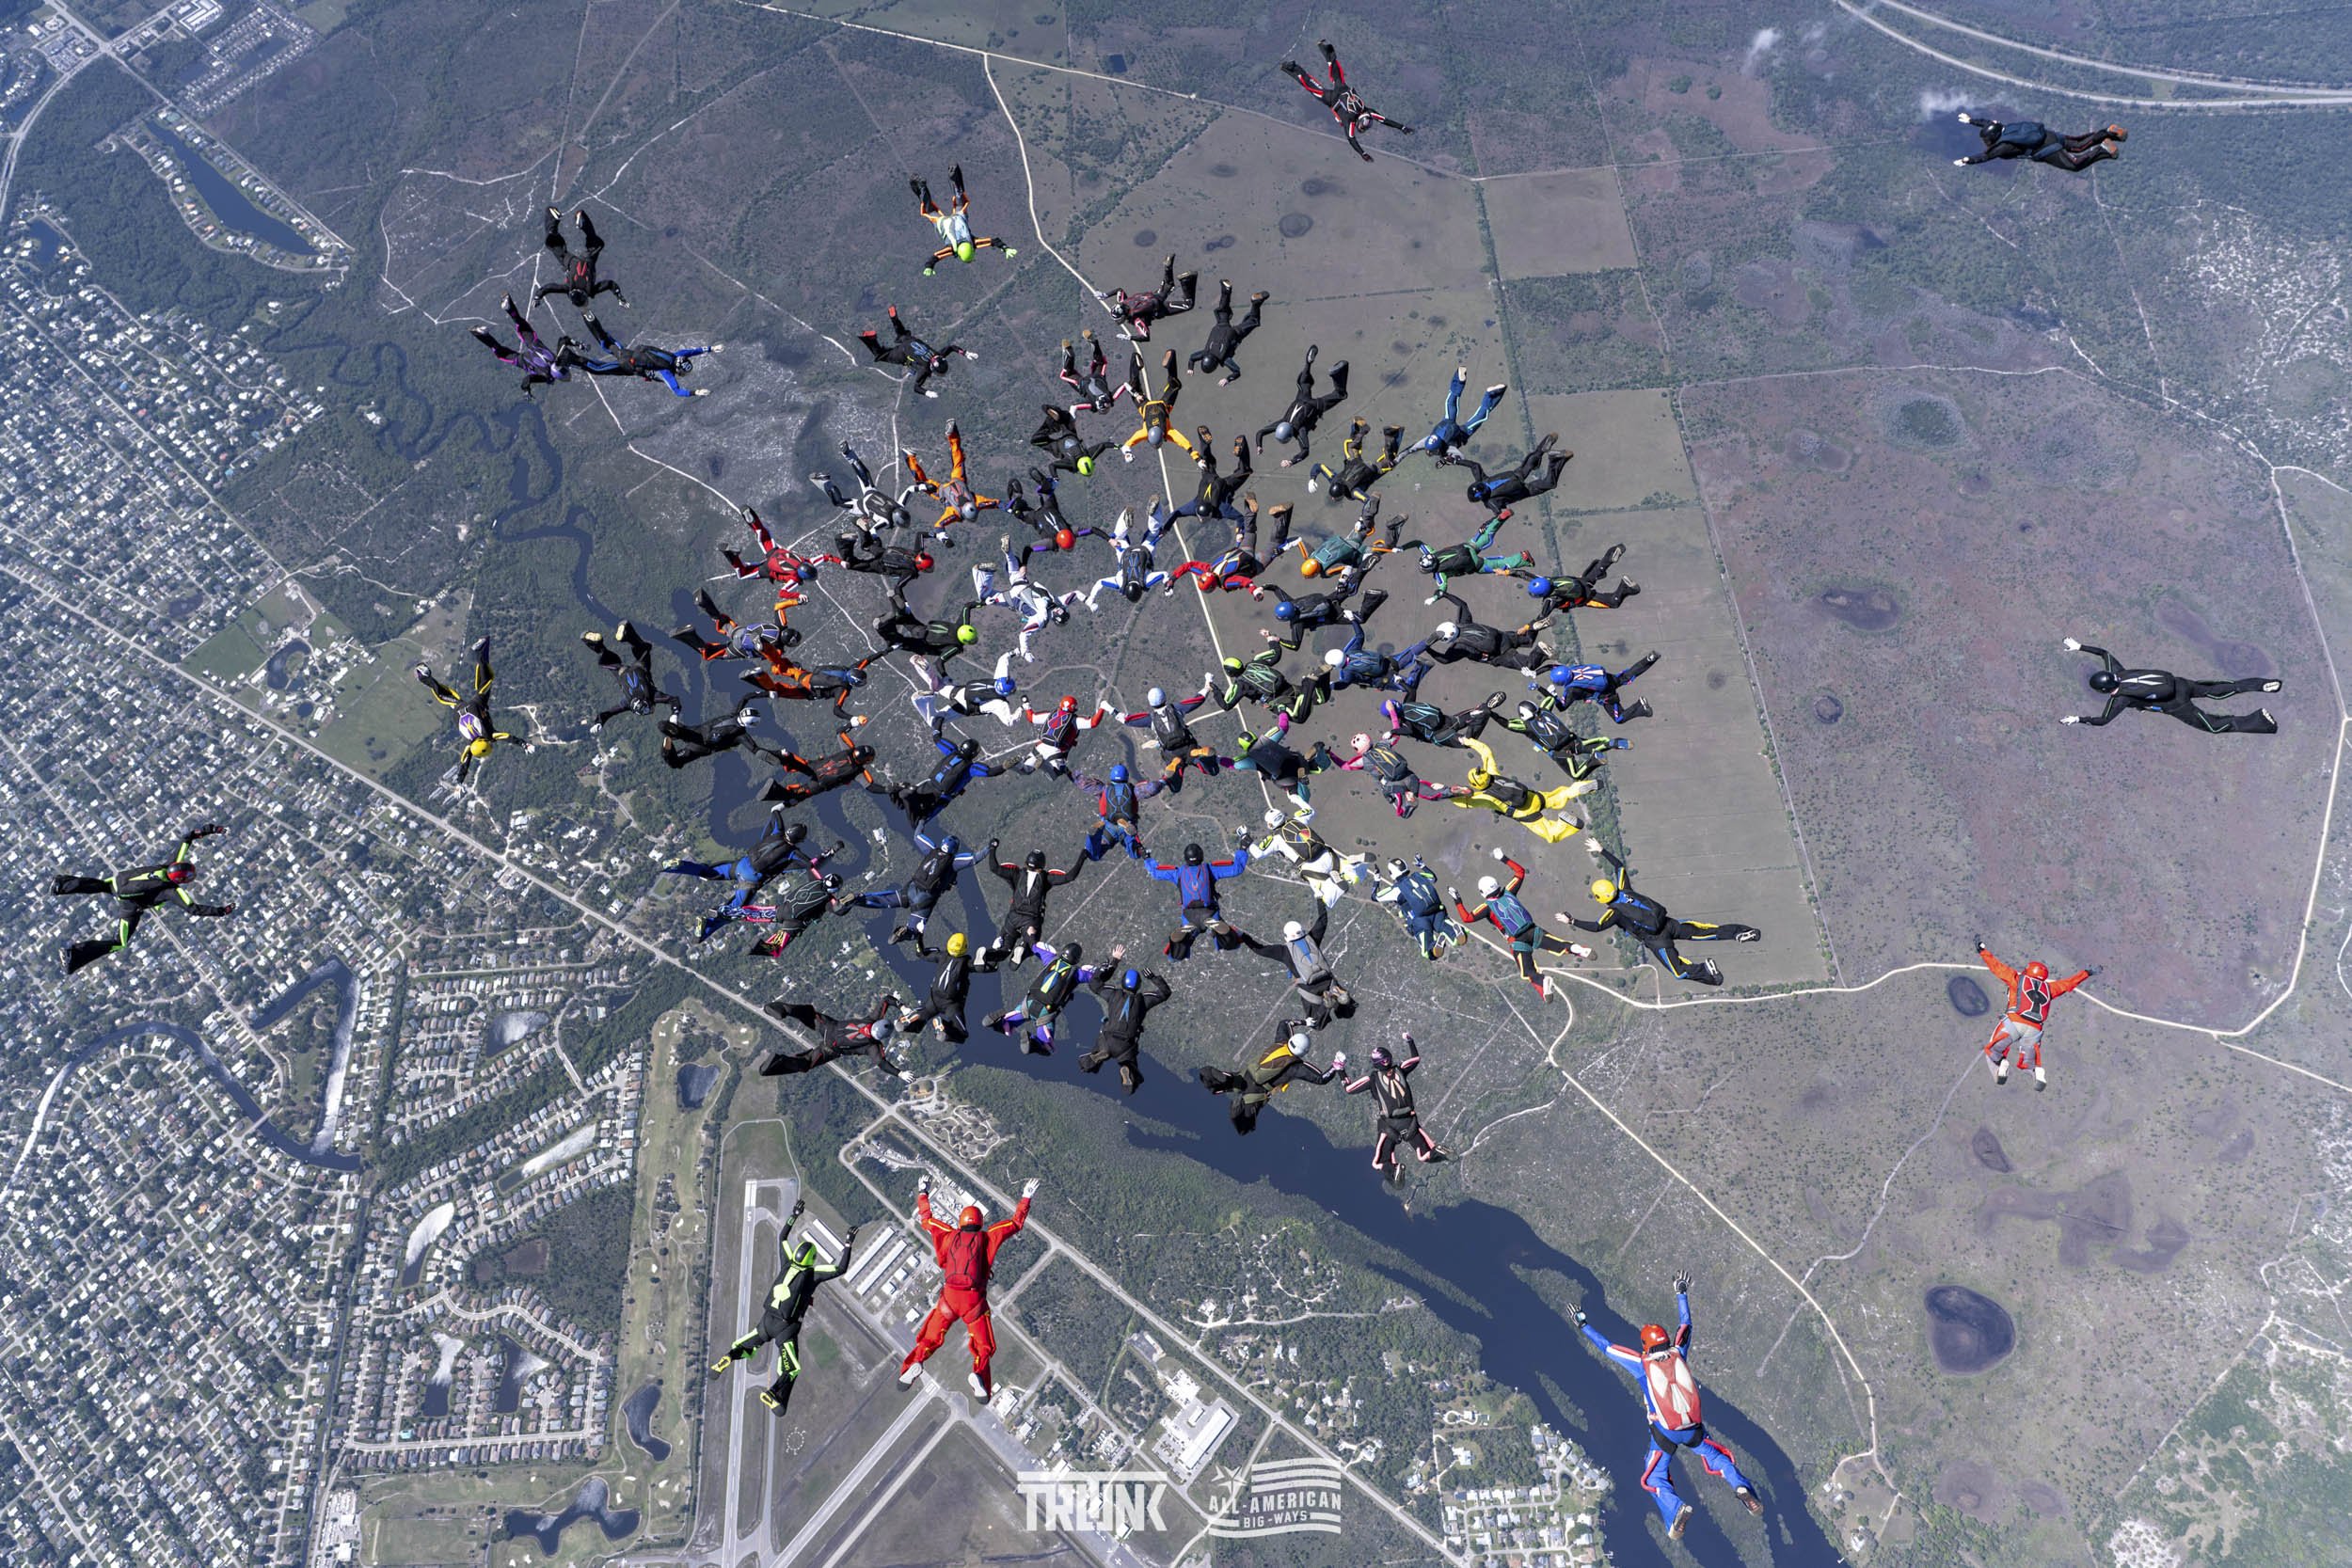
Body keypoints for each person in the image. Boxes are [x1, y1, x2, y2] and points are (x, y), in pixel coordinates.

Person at [1577, 1275, 1766, 1540]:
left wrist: (1583, 1325)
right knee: (1719, 1459)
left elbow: (1607, 1347)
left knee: (1654, 1477)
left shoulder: (1641, 1364)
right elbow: (1686, 1325)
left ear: (1646, 1346)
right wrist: (1681, 1292)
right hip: (1694, 1429)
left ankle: (1676, 1510)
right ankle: (1742, 1489)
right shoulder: (1678, 1352)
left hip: (1665, 1433)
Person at [898, 1171, 1037, 1402]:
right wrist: (1026, 1197)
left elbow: (926, 1220)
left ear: (961, 1222)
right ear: (980, 1223)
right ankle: (977, 1374)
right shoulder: (987, 1237)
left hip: (949, 1298)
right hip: (973, 1301)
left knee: (929, 1338)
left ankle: (916, 1362)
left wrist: (923, 1192)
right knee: (984, 1347)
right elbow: (1014, 1224)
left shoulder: (948, 1235)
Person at [710, 1198, 855, 1413]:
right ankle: (775, 1394)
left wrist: (794, 1215)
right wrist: (848, 1244)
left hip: (767, 1320)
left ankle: (729, 1357)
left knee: (748, 1345)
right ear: (811, 1259)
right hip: (785, 1328)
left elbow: (782, 1237)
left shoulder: (787, 1262)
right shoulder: (812, 1274)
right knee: (791, 1369)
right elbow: (840, 1268)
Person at [1568, 841, 1758, 987]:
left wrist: (1572, 921)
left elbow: (1596, 927)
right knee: (1708, 931)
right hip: (1668, 923)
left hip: (1657, 941)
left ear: (1600, 898)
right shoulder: (1624, 890)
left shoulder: (1614, 913)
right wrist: (1601, 850)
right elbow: (1620, 867)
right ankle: (1742, 932)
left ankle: (1707, 971)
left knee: (1679, 972)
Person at [56, 822, 233, 974]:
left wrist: (212, 829)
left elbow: (187, 837)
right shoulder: (171, 890)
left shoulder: (169, 864)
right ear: (181, 881)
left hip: (117, 882)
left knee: (99, 885)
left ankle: (61, 885)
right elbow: (193, 909)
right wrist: (221, 911)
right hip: (130, 906)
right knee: (119, 942)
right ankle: (74, 955)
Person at [661, 811, 834, 942]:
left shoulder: (776, 832)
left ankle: (680, 866)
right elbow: (810, 865)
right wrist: (829, 853)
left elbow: (775, 812)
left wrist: (788, 802)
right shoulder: (793, 853)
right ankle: (705, 929)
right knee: (732, 912)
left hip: (740, 865)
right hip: (751, 880)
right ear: (798, 841)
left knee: (709, 872)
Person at [2059, 638, 2280, 734]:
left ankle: (2262, 723)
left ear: (2104, 691)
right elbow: (2104, 653)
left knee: (2213, 726)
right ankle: (2262, 685)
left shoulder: (2121, 699)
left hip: (2176, 705)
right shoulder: (2120, 673)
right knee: (2217, 689)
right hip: (2180, 683)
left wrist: (2078, 719)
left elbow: (2103, 721)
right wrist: (2080, 647)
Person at [1453, 849, 1594, 997]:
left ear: (1482, 893)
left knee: (1528, 972)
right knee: (1559, 945)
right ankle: (1577, 949)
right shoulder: (1508, 891)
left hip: (1517, 941)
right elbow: (1520, 872)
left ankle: (1543, 981)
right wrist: (1503, 858)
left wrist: (1457, 900)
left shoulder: (1486, 907)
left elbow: (1467, 918)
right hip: (1533, 930)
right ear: (1497, 885)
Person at [1974, 941, 2095, 1087]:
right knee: (2029, 1062)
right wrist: (2086, 973)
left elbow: (1997, 967)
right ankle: (2037, 1073)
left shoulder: (2018, 980)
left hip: (2013, 1022)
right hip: (2034, 1030)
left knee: (1993, 1051)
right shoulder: (2050, 988)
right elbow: (2069, 983)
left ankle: (2001, 1066)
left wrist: (1983, 951)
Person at [1279, 40, 1415, 162]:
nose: (1363, 128)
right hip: (1332, 99)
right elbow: (1352, 139)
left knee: (1336, 71)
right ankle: (1291, 67)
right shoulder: (1350, 121)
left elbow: (1385, 120)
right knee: (1310, 86)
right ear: (1359, 122)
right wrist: (1362, 153)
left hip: (1343, 89)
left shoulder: (1368, 112)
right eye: (1363, 127)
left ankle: (1326, 50)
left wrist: (1402, 127)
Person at [1198, 1024, 1344, 1133]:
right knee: (1245, 1127)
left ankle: (1217, 1078)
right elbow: (1321, 1079)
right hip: (1256, 1091)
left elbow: (1284, 1023)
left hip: (1245, 1075)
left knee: (1229, 1082)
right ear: (1303, 1052)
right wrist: (1337, 1065)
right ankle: (1237, 1109)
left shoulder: (1281, 1042)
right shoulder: (1296, 1067)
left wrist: (1305, 1022)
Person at [1450, 736, 1594, 844]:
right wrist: (1467, 741)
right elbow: (1485, 752)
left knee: (1551, 835)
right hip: (1533, 797)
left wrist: (1448, 793)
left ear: (1475, 785)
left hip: (1526, 813)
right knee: (1562, 794)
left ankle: (1564, 823)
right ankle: (1580, 787)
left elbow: (1464, 803)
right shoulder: (1492, 772)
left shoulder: (1484, 798)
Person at [416, 638, 520, 786]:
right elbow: (465, 762)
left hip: (475, 706)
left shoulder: (489, 735)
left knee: (487, 680)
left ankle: (480, 651)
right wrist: (459, 781)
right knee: (443, 695)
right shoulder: (470, 745)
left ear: (485, 743)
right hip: (458, 709)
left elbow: (507, 737)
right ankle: (425, 677)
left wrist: (524, 744)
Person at [1343, 1037, 1445, 1179]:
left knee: (1379, 1162)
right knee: (1424, 1154)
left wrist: (1340, 1070)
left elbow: (1349, 1089)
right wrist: (1410, 1041)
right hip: (1409, 1121)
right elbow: (1415, 1059)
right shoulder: (1400, 1069)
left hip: (1389, 1124)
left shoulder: (1373, 1079)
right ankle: (1437, 1152)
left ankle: (1395, 1169)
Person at [1242, 904, 1355, 1029]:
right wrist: (1319, 899)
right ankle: (1339, 998)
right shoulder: (1312, 939)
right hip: (1329, 982)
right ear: (1302, 931)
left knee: (1316, 1024)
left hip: (1309, 989)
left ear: (1286, 937)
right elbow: (1323, 920)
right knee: (1348, 1012)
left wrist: (1242, 936)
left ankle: (1326, 1005)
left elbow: (1259, 949)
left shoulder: (1283, 951)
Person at [984, 938, 1106, 1053]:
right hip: (1046, 1011)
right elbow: (1096, 977)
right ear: (1076, 959)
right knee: (1048, 1046)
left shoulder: (1050, 959)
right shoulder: (1077, 973)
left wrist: (1030, 937)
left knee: (1013, 1020)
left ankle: (1002, 1022)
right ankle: (1035, 1042)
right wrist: (1106, 968)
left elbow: (1035, 946)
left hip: (1029, 1002)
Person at [853, 828, 977, 938]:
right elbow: (974, 858)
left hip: (910, 889)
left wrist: (922, 820)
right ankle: (906, 932)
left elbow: (917, 835)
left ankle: (857, 899)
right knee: (915, 930)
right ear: (955, 850)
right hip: (925, 899)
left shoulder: (932, 851)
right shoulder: (953, 862)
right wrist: (988, 849)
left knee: (884, 900)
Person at [977, 535, 1083, 664]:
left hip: (1024, 584)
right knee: (985, 598)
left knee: (1014, 572)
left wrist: (1088, 600)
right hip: (1015, 598)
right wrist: (1025, 652)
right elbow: (1023, 634)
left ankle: (1008, 553)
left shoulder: (1057, 602)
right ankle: (986, 572)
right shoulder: (1041, 619)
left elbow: (1075, 594)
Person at [1143, 836, 1251, 959]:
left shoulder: (1178, 873)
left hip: (1189, 915)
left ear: (1186, 858)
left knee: (1178, 952)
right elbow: (1236, 869)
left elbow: (1155, 873)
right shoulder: (1210, 869)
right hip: (1210, 912)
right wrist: (1243, 848)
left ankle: (1179, 945)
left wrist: (1147, 858)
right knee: (1233, 942)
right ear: (1201, 856)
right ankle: (1222, 935)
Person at [982, 841, 1088, 966]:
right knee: (1032, 946)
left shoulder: (1015, 873)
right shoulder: (1046, 878)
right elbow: (1069, 877)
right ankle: (1022, 951)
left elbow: (994, 868)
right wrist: (1082, 857)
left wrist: (993, 848)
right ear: (1042, 866)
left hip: (1012, 918)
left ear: (1026, 863)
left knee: (1004, 950)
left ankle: (985, 955)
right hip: (1031, 921)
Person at [760, 992, 910, 1079]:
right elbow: (882, 1064)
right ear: (882, 1038)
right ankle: (778, 1063)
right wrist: (900, 1074)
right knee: (806, 1063)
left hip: (828, 1026)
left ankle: (781, 1008)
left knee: (808, 1013)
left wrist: (902, 1007)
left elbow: (886, 999)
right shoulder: (873, 1047)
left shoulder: (872, 1019)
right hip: (830, 1049)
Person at [566, 310, 714, 396]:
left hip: (629, 353)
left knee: (607, 342)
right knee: (598, 369)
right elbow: (677, 391)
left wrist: (710, 349)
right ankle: (570, 358)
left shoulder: (675, 355)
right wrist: (695, 392)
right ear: (679, 369)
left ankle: (588, 317)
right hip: (627, 365)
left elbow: (691, 352)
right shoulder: (666, 372)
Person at [1080, 964, 1174, 1093]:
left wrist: (1101, 970)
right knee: (1131, 1066)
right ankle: (1127, 1068)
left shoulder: (1113, 994)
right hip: (1126, 1045)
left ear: (1123, 982)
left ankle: (1096, 1057)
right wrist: (1153, 978)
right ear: (1139, 985)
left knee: (1092, 1056)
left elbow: (1094, 985)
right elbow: (1165, 992)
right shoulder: (1143, 1000)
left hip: (1108, 1039)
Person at [910, 164, 1017, 273]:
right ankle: (922, 187)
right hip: (942, 221)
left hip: (959, 216)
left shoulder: (973, 243)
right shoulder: (952, 249)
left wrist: (1005, 248)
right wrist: (929, 267)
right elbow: (935, 257)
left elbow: (993, 241)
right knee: (930, 210)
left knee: (960, 202)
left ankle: (954, 181)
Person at [1251, 805, 1365, 907]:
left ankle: (1332, 886)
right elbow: (1310, 811)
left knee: (1323, 894)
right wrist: (1296, 798)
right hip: (1326, 854)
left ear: (1270, 824)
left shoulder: (1275, 839)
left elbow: (1258, 854)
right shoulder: (1298, 820)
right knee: (1342, 866)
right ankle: (1349, 869)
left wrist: (1246, 841)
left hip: (1309, 866)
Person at [1173, 498, 1293, 593]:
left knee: (1275, 543)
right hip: (1241, 551)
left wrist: (1254, 590)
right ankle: (1249, 508)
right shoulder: (1208, 569)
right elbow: (1189, 566)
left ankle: (1281, 515)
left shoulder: (1225, 583)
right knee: (1249, 531)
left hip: (1255, 566)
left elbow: (1242, 581)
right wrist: (1173, 578)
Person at [1255, 345, 1349, 467]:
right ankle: (1308, 363)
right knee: (1303, 381)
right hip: (1301, 398)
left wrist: (1291, 461)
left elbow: (1305, 451)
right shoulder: (1282, 422)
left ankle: (1336, 375)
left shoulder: (1300, 431)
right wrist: (1259, 445)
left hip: (1315, 406)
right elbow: (1260, 432)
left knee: (1340, 394)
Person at [903, 420, 999, 538]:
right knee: (922, 483)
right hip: (941, 491)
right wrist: (943, 537)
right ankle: (909, 456)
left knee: (958, 458)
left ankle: (952, 434)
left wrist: (1009, 507)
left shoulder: (977, 502)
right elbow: (939, 525)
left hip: (958, 480)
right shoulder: (955, 513)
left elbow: (995, 503)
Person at [901, 929, 998, 1043]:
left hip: (933, 1000)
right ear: (965, 948)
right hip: (951, 1005)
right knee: (962, 1035)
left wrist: (919, 937)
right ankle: (943, 1028)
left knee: (921, 1021)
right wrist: (994, 952)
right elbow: (991, 968)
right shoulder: (966, 963)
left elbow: (920, 953)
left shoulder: (941, 956)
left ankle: (908, 1025)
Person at [858, 304, 977, 397]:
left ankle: (894, 318)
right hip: (902, 353)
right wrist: (927, 393)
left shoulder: (938, 354)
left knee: (902, 333)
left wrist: (965, 353)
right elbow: (916, 388)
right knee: (880, 355)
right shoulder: (924, 370)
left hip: (911, 341)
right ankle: (870, 338)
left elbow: (951, 347)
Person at [1499, 698, 1628, 784]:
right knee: (1591, 745)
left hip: (1559, 751)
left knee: (1577, 775)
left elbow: (1508, 724)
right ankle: (1610, 743)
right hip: (1572, 739)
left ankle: (1594, 760)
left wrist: (1492, 714)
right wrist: (1540, 689)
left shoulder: (1526, 726)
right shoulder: (1544, 709)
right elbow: (1550, 698)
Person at [469, 293, 574, 397]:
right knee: (500, 352)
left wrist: (575, 344)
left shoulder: (557, 359)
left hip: (534, 344)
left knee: (521, 324)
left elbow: (563, 342)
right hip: (523, 360)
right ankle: (480, 333)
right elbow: (528, 379)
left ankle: (509, 307)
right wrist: (526, 389)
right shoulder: (546, 376)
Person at [723, 507, 839, 600]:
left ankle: (752, 520)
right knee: (743, 574)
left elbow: (825, 557)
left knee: (763, 534)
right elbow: (782, 593)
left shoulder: (806, 561)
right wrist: (798, 596)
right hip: (768, 569)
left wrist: (841, 562)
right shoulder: (795, 579)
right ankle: (731, 554)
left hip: (775, 552)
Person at [1120, 686, 1222, 790]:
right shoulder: (1176, 708)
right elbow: (1197, 701)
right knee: (1214, 770)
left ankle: (1175, 762)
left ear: (1150, 703)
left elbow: (1127, 720)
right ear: (1164, 698)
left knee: (1175, 787)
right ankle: (1196, 753)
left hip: (1171, 753)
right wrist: (1207, 687)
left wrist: (1111, 710)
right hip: (1188, 746)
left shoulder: (1150, 719)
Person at [581, 622, 680, 729]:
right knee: (607, 660)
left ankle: (626, 633)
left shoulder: (652, 696)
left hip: (640, 668)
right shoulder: (627, 703)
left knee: (643, 649)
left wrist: (675, 714)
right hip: (621, 672)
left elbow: (673, 700)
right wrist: (599, 722)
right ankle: (597, 643)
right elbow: (610, 712)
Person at [1332, 731, 1451, 819]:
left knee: (1403, 813)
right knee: (1431, 794)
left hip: (1392, 786)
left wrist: (1330, 754)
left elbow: (1344, 766)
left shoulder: (1363, 761)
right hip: (1408, 776)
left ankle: (1408, 800)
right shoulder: (1383, 744)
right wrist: (1392, 715)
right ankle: (1449, 791)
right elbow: (1396, 734)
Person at [1952, 111, 2124, 172]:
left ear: (1993, 138)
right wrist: (1971, 120)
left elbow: (1986, 156)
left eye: (1987, 139)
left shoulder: (2003, 146)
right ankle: (2108, 133)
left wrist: (1967, 160)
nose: (1987, 142)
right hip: (2049, 135)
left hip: (2046, 149)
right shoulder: (2004, 128)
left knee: (2075, 165)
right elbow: (1988, 124)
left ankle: (2103, 150)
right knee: (2079, 144)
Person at [1407, 519, 1529, 601]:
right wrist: (1401, 548)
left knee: (1498, 564)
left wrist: (1434, 598)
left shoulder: (1440, 574)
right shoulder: (1431, 553)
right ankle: (1498, 520)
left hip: (1474, 564)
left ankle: (1523, 558)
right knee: (1485, 536)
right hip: (1467, 547)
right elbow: (1418, 543)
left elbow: (1442, 588)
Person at [813, 442, 919, 535]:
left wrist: (922, 487)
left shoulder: (899, 505)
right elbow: (873, 530)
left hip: (871, 492)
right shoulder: (886, 522)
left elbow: (910, 490)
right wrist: (875, 539)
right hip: (861, 506)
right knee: (839, 502)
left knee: (864, 474)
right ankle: (825, 482)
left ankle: (848, 453)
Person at [744, 867, 853, 958]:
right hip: (795, 922)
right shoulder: (827, 900)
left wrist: (830, 852)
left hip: (785, 908)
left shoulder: (815, 881)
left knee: (755, 913)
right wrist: (850, 902)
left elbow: (811, 865)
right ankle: (759, 947)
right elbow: (838, 911)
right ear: (834, 889)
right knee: (775, 949)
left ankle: (737, 911)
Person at [1458, 433, 1570, 520]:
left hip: (1522, 490)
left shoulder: (1490, 502)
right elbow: (1474, 466)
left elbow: (1498, 515)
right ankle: (1544, 446)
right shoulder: (1483, 480)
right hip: (1516, 475)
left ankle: (1553, 461)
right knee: (1533, 459)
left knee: (1550, 483)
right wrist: (1456, 461)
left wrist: (1501, 517)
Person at [1080, 507, 1173, 610]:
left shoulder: (1146, 582)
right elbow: (1100, 582)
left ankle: (1153, 514)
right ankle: (1125, 519)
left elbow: (1164, 574)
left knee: (1154, 533)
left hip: (1145, 550)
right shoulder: (1120, 583)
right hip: (1124, 552)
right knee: (1118, 537)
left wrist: (1167, 585)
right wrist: (1091, 598)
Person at [534, 206, 628, 309]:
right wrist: (538, 296)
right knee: (553, 245)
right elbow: (549, 288)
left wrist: (619, 296)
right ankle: (553, 223)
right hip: (570, 261)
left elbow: (610, 284)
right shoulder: (568, 288)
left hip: (587, 259)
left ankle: (583, 222)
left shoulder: (591, 291)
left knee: (597, 244)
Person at [1423, 602, 1558, 672]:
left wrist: (1427, 648)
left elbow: (1445, 660)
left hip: (1500, 655)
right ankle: (1534, 624)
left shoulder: (1460, 646)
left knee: (1529, 665)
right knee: (1528, 639)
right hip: (1504, 637)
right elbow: (1462, 604)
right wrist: (1444, 595)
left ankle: (1540, 650)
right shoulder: (1463, 623)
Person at [911, 650, 1025, 732]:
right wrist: (1022, 708)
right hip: (966, 707)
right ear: (1006, 693)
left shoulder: (999, 679)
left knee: (938, 685)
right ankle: (924, 699)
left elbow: (1003, 659)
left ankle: (926, 669)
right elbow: (1010, 722)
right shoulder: (1001, 704)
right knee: (934, 721)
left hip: (962, 691)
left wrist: (1016, 652)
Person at [1409, 366, 1506, 460]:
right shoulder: (1433, 438)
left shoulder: (1447, 447)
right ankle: (1459, 381)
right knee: (1451, 404)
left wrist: (1448, 459)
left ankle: (1491, 395)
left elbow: (1459, 457)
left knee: (1479, 418)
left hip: (1461, 434)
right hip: (1446, 424)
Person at [660, 694, 780, 769]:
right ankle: (667, 749)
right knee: (675, 763)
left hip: (696, 732)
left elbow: (745, 697)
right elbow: (755, 750)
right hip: (701, 747)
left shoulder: (734, 713)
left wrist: (768, 693)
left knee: (667, 727)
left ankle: (673, 730)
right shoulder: (741, 735)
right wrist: (774, 758)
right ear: (751, 724)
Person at [1073, 763, 1165, 862]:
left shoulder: (1103, 790)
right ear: (1126, 776)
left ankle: (1092, 837)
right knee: (1135, 854)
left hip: (1109, 827)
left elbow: (1083, 784)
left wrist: (1071, 773)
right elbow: (1153, 788)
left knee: (1095, 855)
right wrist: (1163, 781)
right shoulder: (1134, 790)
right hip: (1126, 826)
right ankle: (1134, 843)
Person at [1374, 855, 1460, 959]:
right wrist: (1422, 865)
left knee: (1427, 950)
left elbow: (1375, 897)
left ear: (1392, 874)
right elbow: (1433, 877)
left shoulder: (1397, 889)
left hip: (1418, 920)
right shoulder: (1418, 876)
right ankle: (1456, 933)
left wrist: (1376, 879)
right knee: (1443, 925)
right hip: (1437, 911)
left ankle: (1433, 947)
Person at [1230, 725, 1335, 808]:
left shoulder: (1251, 759)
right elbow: (1283, 726)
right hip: (1296, 762)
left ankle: (1302, 781)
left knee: (1299, 799)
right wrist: (1281, 709)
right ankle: (1316, 754)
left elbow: (1232, 764)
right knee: (1320, 766)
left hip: (1284, 777)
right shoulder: (1267, 739)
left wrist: (1219, 759)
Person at [1518, 542, 1638, 614]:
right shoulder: (1546, 580)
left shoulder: (1551, 599)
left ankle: (1625, 587)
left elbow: (1542, 616)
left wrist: (1528, 627)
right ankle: (1610, 555)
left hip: (1585, 598)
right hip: (1581, 582)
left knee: (1613, 602)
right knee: (1598, 570)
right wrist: (1509, 572)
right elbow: (1525, 575)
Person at [1097, 255, 1197, 341]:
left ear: (1123, 316)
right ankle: (1168, 266)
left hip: (1160, 306)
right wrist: (1105, 295)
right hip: (1153, 296)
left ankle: (1186, 280)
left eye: (1119, 319)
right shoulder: (1123, 301)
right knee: (1169, 285)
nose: (1118, 321)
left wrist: (1129, 337)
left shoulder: (1136, 319)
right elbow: (1119, 290)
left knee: (1188, 305)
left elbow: (1145, 336)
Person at [1186, 279, 1269, 382]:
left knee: (1253, 321)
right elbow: (1192, 358)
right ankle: (1226, 290)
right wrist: (1190, 368)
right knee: (1223, 310)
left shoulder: (1224, 359)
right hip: (1221, 325)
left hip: (1235, 333)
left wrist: (1227, 379)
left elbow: (1236, 371)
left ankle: (1256, 303)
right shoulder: (1204, 353)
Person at [872, 591, 985, 665]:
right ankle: (880, 626)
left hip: (923, 629)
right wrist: (944, 676)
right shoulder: (955, 647)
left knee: (905, 618)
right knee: (897, 642)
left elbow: (967, 606)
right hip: (922, 644)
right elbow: (939, 663)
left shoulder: (961, 625)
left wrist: (984, 602)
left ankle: (897, 611)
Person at [1539, 654, 1660, 723]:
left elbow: (1561, 707)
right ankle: (1648, 659)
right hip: (1607, 678)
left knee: (1619, 718)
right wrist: (1537, 672)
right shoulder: (1571, 669)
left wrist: (1550, 694)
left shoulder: (1571, 690)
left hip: (1606, 694)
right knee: (1627, 676)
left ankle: (1640, 706)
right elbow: (1552, 666)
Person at [1322, 621, 1432, 695]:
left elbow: (1343, 684)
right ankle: (1430, 640)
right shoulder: (1350, 650)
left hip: (1384, 678)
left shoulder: (1346, 673)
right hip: (1389, 662)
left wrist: (1331, 686)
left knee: (1408, 687)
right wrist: (1352, 619)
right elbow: (1360, 635)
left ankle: (1422, 666)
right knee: (1410, 653)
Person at [758, 740, 880, 808]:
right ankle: (773, 792)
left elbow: (840, 732)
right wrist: (888, 790)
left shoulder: (848, 750)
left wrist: (853, 722)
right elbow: (871, 787)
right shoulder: (858, 771)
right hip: (820, 783)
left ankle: (776, 755)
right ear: (865, 760)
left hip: (815, 767)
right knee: (798, 793)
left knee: (793, 760)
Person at [1120, 348, 1196, 458]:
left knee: (1175, 385)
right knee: (1133, 387)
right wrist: (1127, 452)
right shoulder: (1145, 432)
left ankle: (1171, 361)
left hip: (1163, 404)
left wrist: (1196, 457)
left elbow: (1183, 442)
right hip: (1144, 405)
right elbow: (1128, 444)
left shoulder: (1167, 432)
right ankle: (1135, 362)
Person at [1168, 436, 1255, 530]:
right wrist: (1165, 528)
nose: (1201, 520)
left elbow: (1240, 518)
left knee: (1244, 471)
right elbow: (1176, 514)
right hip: (1208, 478)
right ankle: (1204, 442)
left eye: (1203, 518)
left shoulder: (1222, 509)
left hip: (1225, 485)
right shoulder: (1194, 506)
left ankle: (1241, 448)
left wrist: (1239, 532)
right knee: (1206, 463)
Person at [1015, 693, 1115, 776]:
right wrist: (1102, 708)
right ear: (1073, 708)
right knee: (1056, 772)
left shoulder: (1050, 715)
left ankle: (1014, 765)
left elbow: (1031, 718)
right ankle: (1044, 765)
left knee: (1026, 770)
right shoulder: (1074, 720)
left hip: (1040, 746)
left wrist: (1027, 706)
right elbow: (1093, 723)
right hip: (1056, 750)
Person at [1311, 418, 1405, 504]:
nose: (1333, 499)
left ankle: (1391, 434)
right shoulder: (1333, 479)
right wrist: (1312, 479)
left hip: (1371, 468)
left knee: (1389, 461)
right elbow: (1319, 466)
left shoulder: (1352, 493)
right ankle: (1360, 429)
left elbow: (1366, 500)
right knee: (1351, 446)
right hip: (1353, 461)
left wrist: (1367, 511)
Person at [1383, 693, 1503, 750]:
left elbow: (1409, 730)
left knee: (1466, 742)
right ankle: (1479, 710)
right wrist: (1401, 682)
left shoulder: (1404, 721)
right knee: (1460, 719)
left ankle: (1477, 720)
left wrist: (1392, 731)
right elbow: (1411, 690)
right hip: (1446, 720)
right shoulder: (1407, 704)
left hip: (1439, 735)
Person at [1028, 404, 1116, 478]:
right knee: (1035, 440)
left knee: (1064, 419)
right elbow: (1052, 466)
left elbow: (1104, 445)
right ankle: (1053, 424)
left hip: (1070, 433)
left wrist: (1120, 447)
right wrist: (1055, 478)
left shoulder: (1089, 455)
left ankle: (1056, 420)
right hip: (1056, 446)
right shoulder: (1070, 464)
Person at [836, 530, 934, 594]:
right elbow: (898, 587)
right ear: (922, 567)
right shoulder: (910, 572)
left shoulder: (916, 553)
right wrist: (903, 603)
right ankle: (841, 540)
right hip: (879, 565)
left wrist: (937, 535)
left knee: (866, 546)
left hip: (884, 552)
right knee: (852, 565)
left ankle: (863, 529)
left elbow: (920, 534)